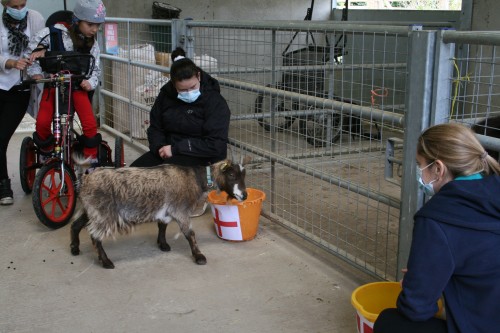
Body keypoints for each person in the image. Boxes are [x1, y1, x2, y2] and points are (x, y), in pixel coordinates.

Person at [373, 123, 500, 333]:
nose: (418, 172)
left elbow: (416, 308)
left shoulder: (437, 217)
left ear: (438, 168)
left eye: (419, 164)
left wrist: (419, 280)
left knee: (389, 322)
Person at [27, 0, 106, 168]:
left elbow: (96, 68)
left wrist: (90, 82)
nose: (94, 29)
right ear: (77, 21)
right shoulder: (52, 33)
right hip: (53, 86)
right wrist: (37, 74)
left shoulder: (93, 44)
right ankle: (47, 153)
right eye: (90, 24)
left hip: (78, 88)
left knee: (90, 124)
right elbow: (31, 54)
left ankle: (89, 162)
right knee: (41, 122)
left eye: (98, 26)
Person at [130, 47, 231, 169]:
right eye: (183, 90)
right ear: (173, 84)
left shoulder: (215, 102)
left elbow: (216, 144)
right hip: (167, 151)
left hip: (201, 156)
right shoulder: (165, 96)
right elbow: (155, 127)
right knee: (131, 174)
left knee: (164, 178)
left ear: (198, 76)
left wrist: (176, 149)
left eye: (193, 87)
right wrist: (159, 147)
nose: (188, 93)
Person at [0, 0, 44, 205]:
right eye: (15, 6)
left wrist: (40, 51)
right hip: (2, 82)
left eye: (22, 5)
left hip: (19, 89)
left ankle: (3, 186)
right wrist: (10, 62)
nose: (20, 10)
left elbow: (44, 43)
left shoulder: (35, 18)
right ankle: (3, 184)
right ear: (4, 5)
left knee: (2, 137)